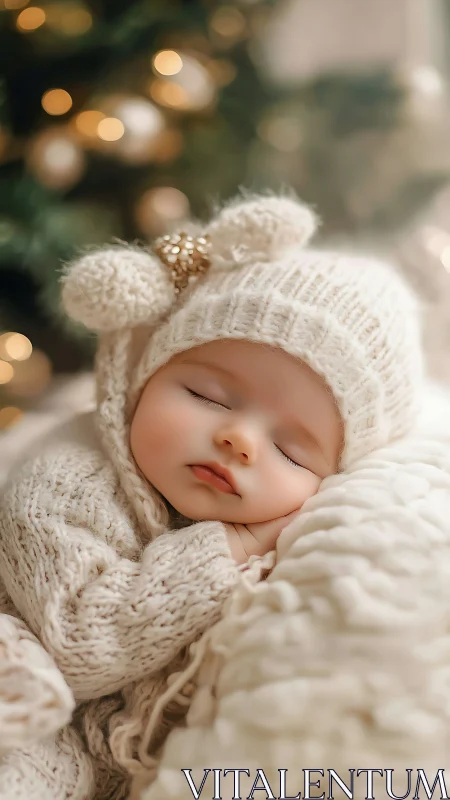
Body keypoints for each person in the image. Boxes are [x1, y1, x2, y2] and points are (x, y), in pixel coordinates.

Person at [0, 192, 423, 799]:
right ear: (144, 374)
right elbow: (80, 639)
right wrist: (230, 546)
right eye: (209, 397)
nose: (240, 440)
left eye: (291, 451)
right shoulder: (64, 481)